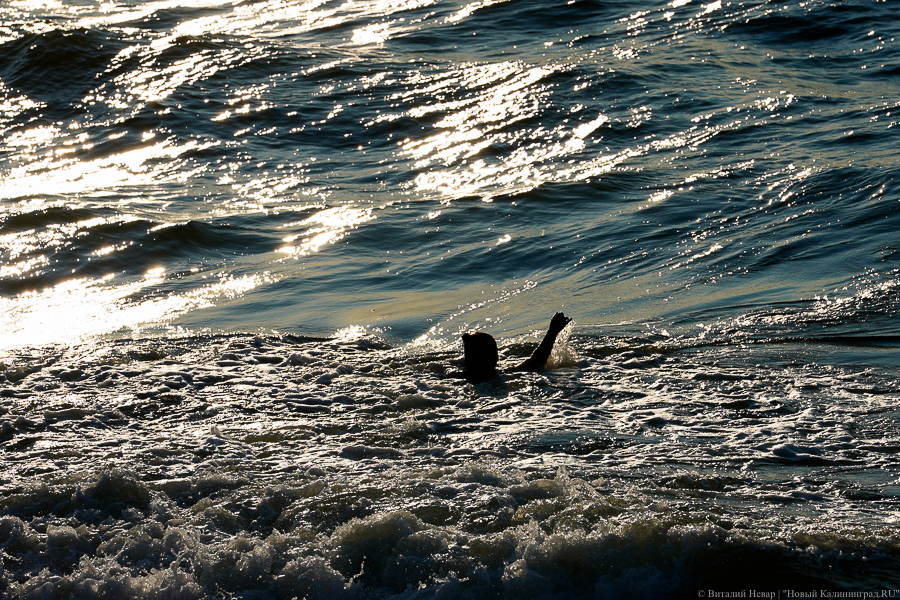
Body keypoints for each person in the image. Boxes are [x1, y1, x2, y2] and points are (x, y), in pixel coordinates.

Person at [448, 312, 572, 383]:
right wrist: (552, 332)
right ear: (492, 358)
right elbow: (535, 362)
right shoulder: (499, 375)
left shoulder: (453, 377)